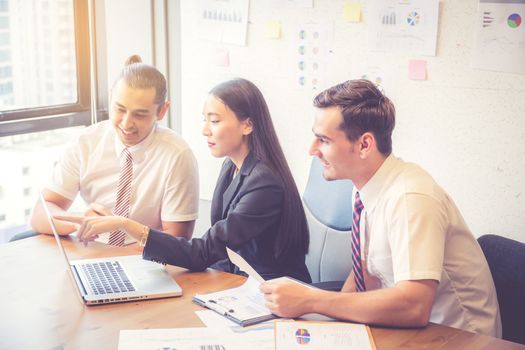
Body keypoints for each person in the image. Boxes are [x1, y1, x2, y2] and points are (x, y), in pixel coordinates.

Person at [260, 79, 501, 337]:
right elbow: (366, 271)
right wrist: (329, 328)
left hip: (457, 339)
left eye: (323, 140)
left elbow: (414, 306)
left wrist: (311, 299)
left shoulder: (411, 199)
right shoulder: (366, 187)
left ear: (365, 144)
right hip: (411, 332)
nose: (312, 150)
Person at [57, 78, 311, 282]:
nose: (205, 129)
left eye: (214, 120)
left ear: (247, 126)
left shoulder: (264, 184)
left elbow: (204, 252)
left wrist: (124, 223)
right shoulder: (231, 167)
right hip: (235, 284)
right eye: (205, 120)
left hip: (271, 294)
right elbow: (222, 251)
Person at [30, 55, 199, 245]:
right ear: (111, 99)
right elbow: (40, 214)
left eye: (140, 114)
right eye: (120, 109)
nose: (126, 123)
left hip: (145, 258)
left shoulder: (177, 155)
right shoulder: (86, 142)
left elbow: (177, 242)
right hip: (92, 250)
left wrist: (122, 225)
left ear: (162, 111)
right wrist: (82, 224)